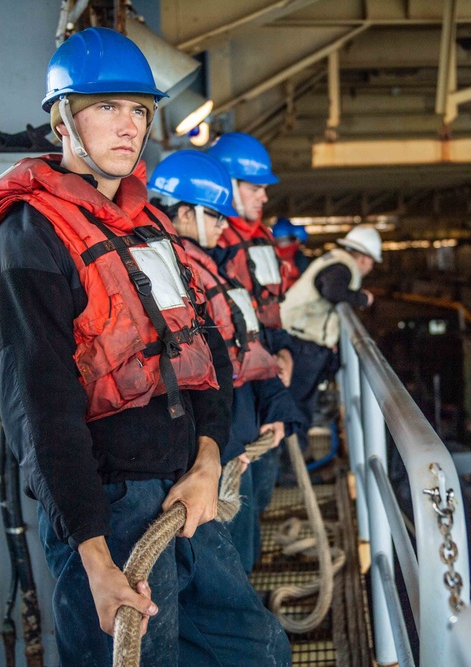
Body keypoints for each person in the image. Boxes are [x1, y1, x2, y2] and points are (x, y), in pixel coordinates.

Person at [0, 28, 290, 665]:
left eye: (138, 109)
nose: (128, 125)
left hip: (187, 491)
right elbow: (39, 410)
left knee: (257, 649)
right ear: (61, 118)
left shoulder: (148, 227)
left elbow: (209, 353)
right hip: (110, 510)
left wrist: (208, 461)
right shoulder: (26, 238)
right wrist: (96, 560)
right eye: (106, 107)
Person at [149, 150, 301, 573]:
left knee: (242, 552)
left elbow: (238, 345)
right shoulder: (177, 272)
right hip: (220, 443)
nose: (223, 225)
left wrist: (271, 406)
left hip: (235, 433)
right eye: (215, 216)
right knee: (227, 565)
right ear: (184, 214)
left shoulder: (208, 266)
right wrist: (220, 448)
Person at [206, 132, 292, 523]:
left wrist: (284, 350)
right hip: (236, 401)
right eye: (256, 187)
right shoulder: (208, 251)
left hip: (264, 386)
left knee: (257, 498)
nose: (264, 197)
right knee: (235, 511)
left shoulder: (260, 241)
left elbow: (267, 312)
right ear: (226, 184)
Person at [280, 226, 381, 446]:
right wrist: (362, 299)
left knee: (299, 400)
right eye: (372, 261)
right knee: (300, 403)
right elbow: (332, 291)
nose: (370, 267)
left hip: (298, 337)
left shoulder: (335, 260)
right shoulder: (343, 267)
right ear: (363, 258)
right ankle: (291, 459)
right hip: (303, 342)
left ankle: (292, 454)